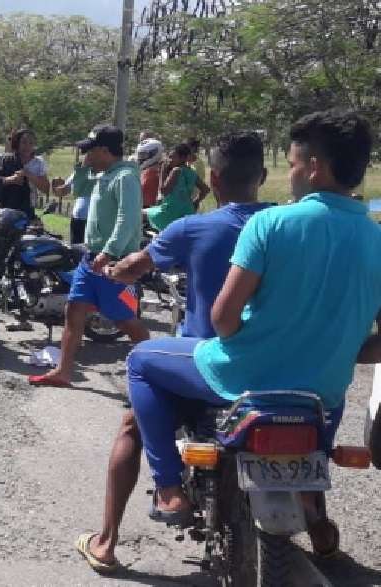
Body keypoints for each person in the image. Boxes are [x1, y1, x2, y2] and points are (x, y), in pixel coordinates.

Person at [129, 110, 381, 544]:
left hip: (243, 378)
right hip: (324, 393)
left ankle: (168, 487)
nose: (294, 174)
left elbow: (223, 322)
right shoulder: (376, 238)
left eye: (295, 163)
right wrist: (341, 348)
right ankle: (314, 513)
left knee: (139, 361)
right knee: (321, 424)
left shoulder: (271, 224)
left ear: (315, 167)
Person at [73, 131, 273, 572]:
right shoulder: (287, 226)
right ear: (261, 176)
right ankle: (319, 527)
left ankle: (114, 536)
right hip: (277, 370)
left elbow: (135, 268)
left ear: (214, 180)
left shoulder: (193, 228)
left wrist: (114, 270)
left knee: (132, 419)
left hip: (207, 365)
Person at [29, 125, 149, 387]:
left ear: (105, 150)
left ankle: (159, 369)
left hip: (114, 262)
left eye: (90, 151)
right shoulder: (104, 174)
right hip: (91, 258)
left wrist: (109, 252)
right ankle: (63, 371)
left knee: (125, 321)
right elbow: (77, 189)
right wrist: (82, 167)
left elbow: (126, 219)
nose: (86, 156)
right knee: (74, 311)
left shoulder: (124, 178)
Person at [145, 143, 211, 231]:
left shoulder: (176, 171)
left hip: (171, 212)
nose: (170, 160)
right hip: (187, 211)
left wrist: (163, 171)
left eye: (173, 157)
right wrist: (195, 202)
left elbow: (164, 191)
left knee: (140, 213)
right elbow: (206, 189)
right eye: (169, 156)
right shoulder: (192, 172)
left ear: (183, 158)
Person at [0, 129, 51, 220]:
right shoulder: (6, 159)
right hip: (4, 209)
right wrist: (11, 180)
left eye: (31, 143)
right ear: (17, 143)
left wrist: (28, 174)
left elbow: (46, 188)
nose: (28, 146)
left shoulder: (38, 163)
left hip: (26, 210)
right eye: (24, 142)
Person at [52, 155, 96, 245]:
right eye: (86, 154)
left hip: (93, 221)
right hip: (78, 219)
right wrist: (56, 187)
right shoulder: (79, 172)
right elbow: (63, 191)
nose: (86, 157)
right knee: (76, 250)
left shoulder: (104, 171)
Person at [136, 138, 164, 208]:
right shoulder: (146, 170)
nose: (140, 158)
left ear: (154, 153)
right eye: (140, 155)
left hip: (148, 210)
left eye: (143, 155)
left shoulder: (156, 172)